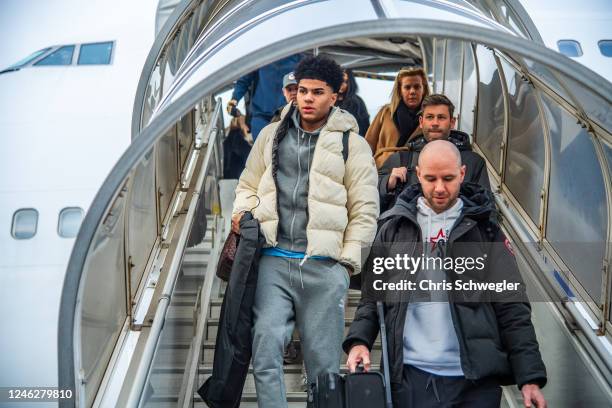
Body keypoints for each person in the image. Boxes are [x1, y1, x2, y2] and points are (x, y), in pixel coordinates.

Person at [344, 140, 547, 408]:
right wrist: (359, 341)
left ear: (462, 173)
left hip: (475, 383)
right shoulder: (394, 228)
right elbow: (373, 298)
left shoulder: (486, 232)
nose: (439, 188)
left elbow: (512, 306)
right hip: (409, 379)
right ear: (418, 174)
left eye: (448, 178)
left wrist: (529, 377)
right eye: (431, 178)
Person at [231, 55, 379, 407]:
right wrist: (245, 212)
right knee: (265, 348)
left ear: (335, 96)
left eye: (317, 92)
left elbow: (365, 209)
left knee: (324, 367)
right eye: (302, 91)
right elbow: (247, 184)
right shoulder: (270, 135)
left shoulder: (352, 145)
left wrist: (346, 265)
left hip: (324, 268)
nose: (308, 98)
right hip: (274, 261)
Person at [378, 94, 490, 212]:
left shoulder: (474, 162)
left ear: (452, 122)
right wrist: (387, 183)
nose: (435, 123)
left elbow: (487, 208)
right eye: (430, 117)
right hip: (407, 229)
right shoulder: (399, 160)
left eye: (441, 117)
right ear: (421, 122)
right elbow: (369, 200)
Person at [365, 67, 429, 168]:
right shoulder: (385, 113)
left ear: (424, 89)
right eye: (407, 87)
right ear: (400, 90)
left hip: (414, 171)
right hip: (383, 170)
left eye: (417, 87)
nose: (412, 91)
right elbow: (367, 145)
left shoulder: (430, 118)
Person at [227, 54, 301, 140]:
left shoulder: (296, 54)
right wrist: (234, 100)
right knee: (260, 151)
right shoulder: (259, 54)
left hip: (289, 116)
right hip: (261, 116)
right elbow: (244, 80)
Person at [336, 68, 370, 135]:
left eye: (345, 82)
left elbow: (364, 126)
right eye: (339, 80)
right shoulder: (328, 100)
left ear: (350, 83)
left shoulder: (357, 102)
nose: (342, 84)